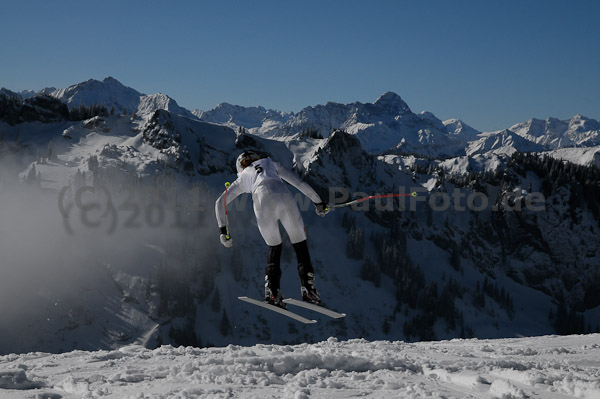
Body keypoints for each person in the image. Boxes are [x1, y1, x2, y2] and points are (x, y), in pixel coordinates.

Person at [215, 151, 329, 308]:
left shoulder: (242, 178)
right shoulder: (271, 164)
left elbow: (219, 202)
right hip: (283, 195)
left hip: (261, 202)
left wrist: (223, 231)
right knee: (299, 243)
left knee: (274, 246)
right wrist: (319, 202)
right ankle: (309, 290)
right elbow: (299, 184)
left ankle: (272, 292)